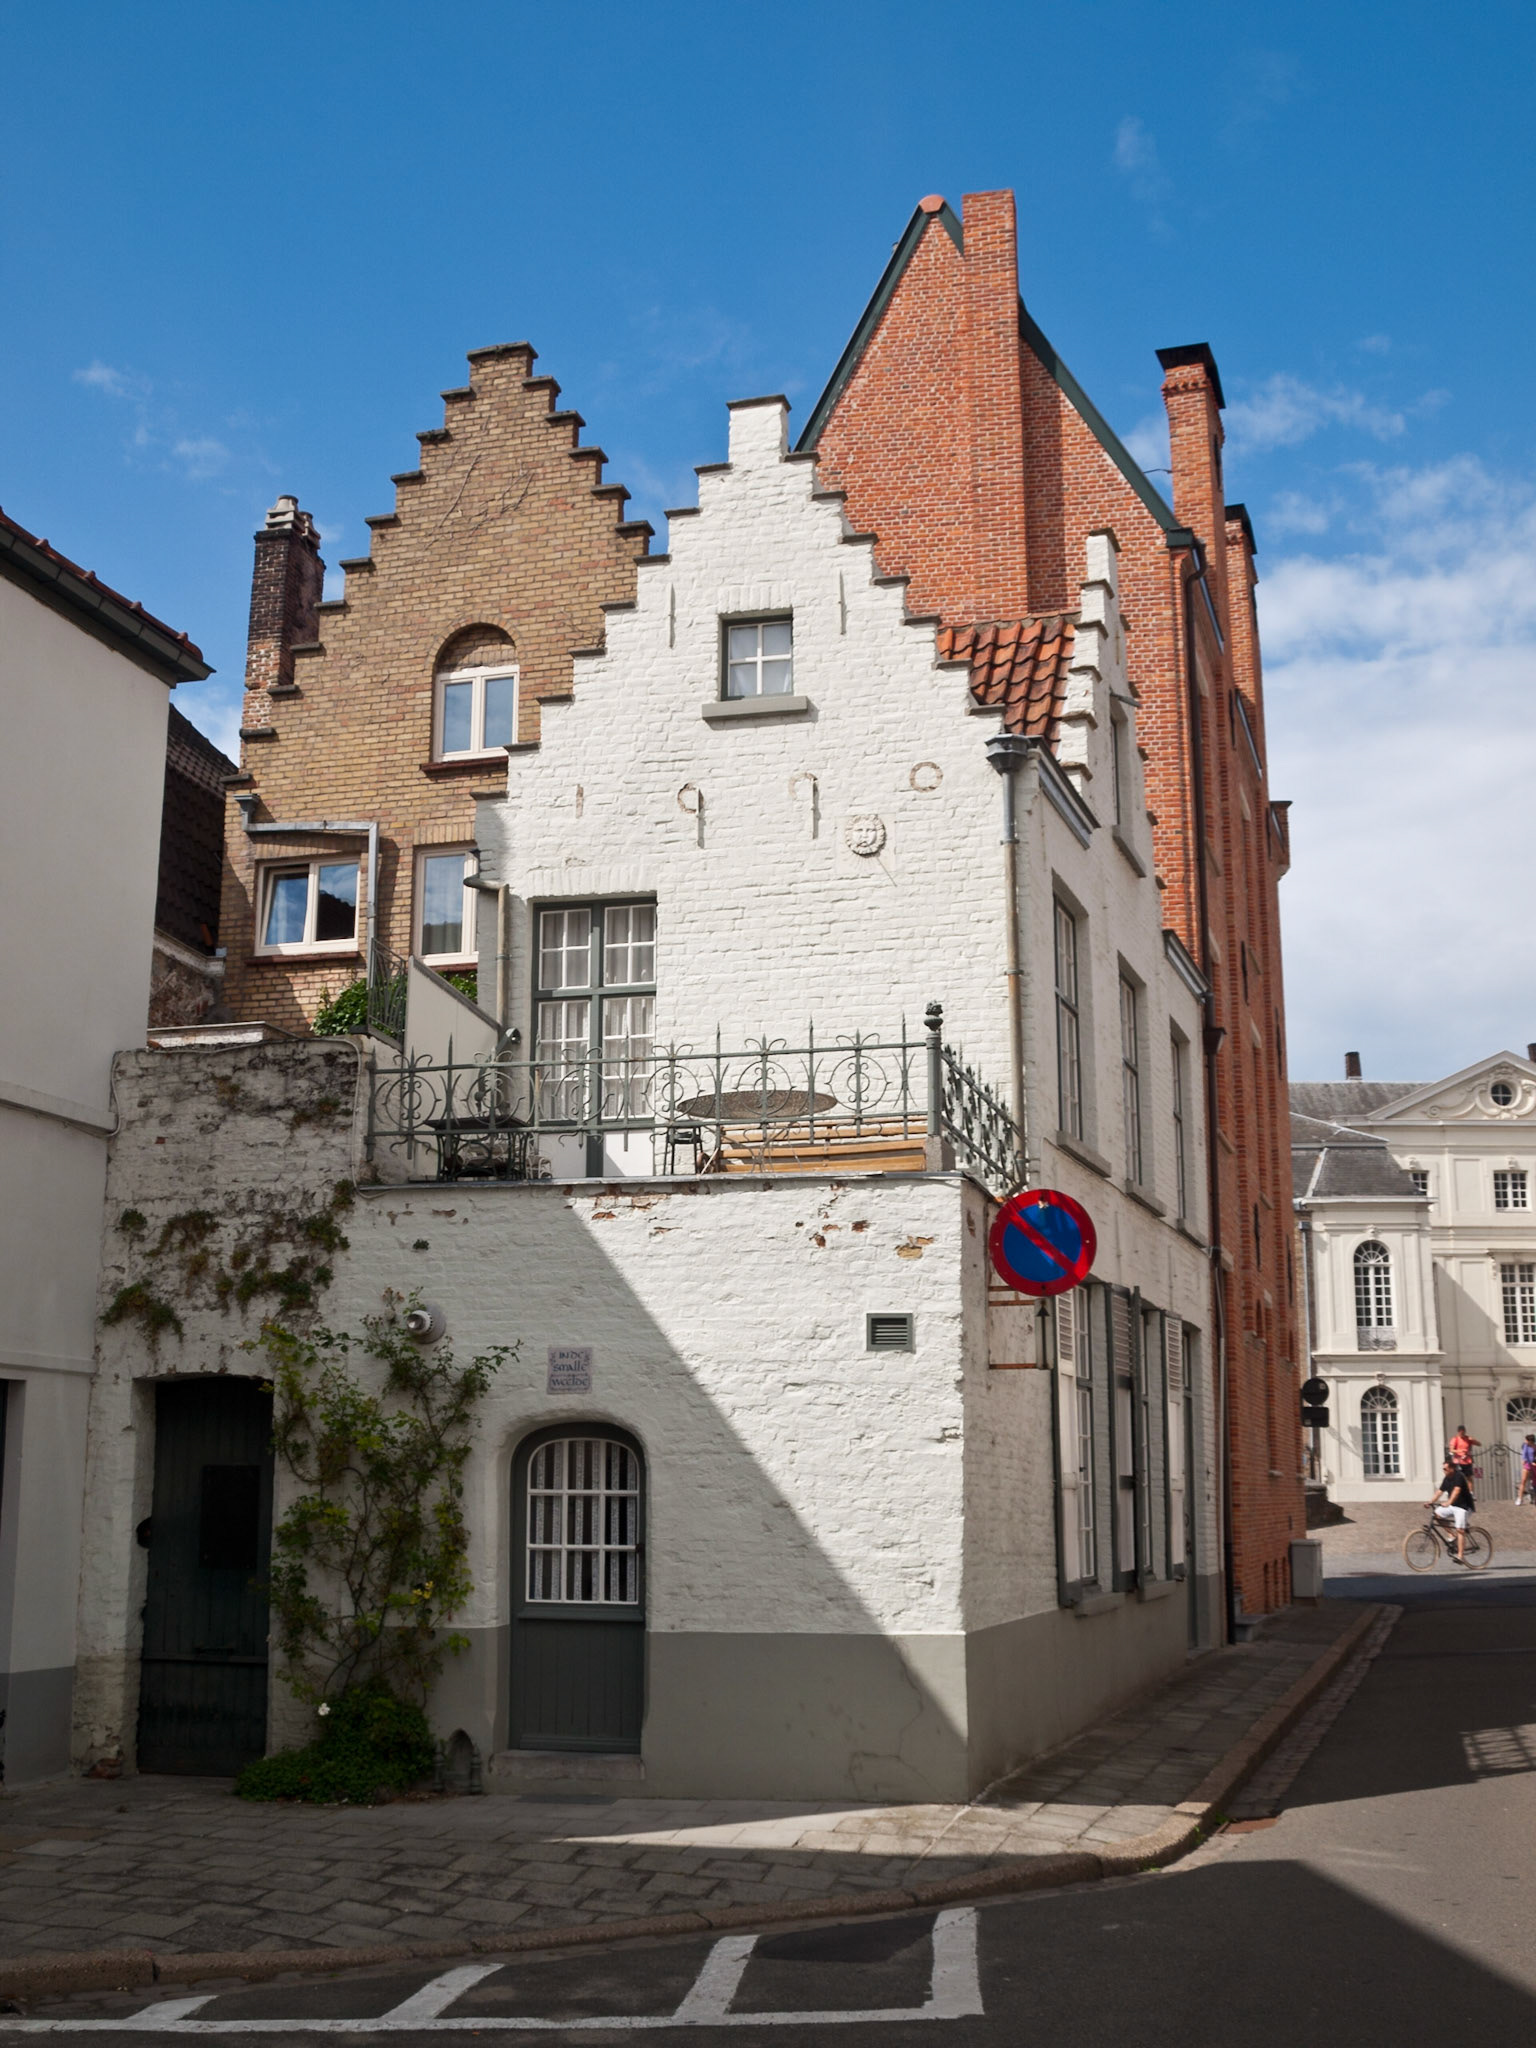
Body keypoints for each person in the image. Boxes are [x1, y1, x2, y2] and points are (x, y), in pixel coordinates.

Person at [1427, 1458, 1475, 1562]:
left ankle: (1460, 1556)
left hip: (1464, 1506)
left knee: (1460, 1530)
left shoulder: (1459, 1476)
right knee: (1436, 1514)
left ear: (1452, 1468)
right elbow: (1439, 1491)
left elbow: (1456, 1491)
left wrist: (1448, 1502)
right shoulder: (1447, 1478)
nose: (1444, 1471)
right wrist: (1430, 1501)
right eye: (1443, 1469)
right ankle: (1451, 1535)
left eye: (1445, 1469)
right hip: (1453, 1506)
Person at [1519, 1434, 1536, 1507]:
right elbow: (1524, 1453)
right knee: (1523, 1480)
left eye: (1526, 1440)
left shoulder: (1535, 1447)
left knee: (1534, 1483)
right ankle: (1520, 1498)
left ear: (1530, 1441)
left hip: (1534, 1465)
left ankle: (1533, 1498)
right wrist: (1524, 1459)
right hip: (1527, 1465)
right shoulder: (1525, 1445)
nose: (1525, 1441)